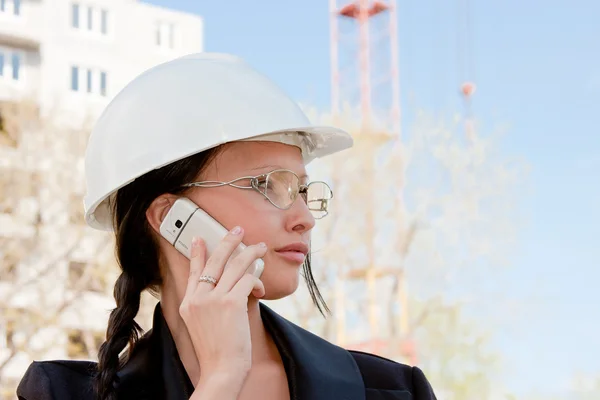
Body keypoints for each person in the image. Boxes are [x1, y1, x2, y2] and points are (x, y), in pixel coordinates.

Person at [16, 53, 437, 400]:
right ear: (171, 218)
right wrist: (221, 379)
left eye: (304, 191)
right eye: (270, 185)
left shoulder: (392, 390)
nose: (304, 218)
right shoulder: (60, 394)